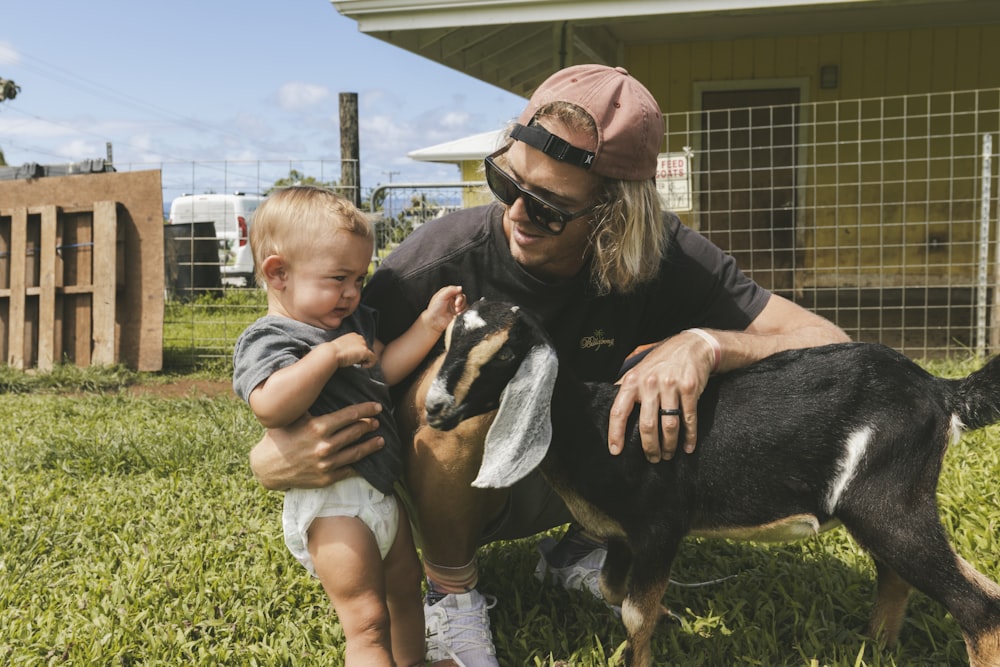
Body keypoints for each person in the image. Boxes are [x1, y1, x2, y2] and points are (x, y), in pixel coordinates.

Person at [248, 65, 850, 666]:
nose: (516, 214)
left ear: (617, 215)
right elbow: (295, 361)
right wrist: (270, 455)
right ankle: (449, 595)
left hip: (571, 470)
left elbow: (828, 345)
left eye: (550, 208)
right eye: (506, 184)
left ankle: (583, 547)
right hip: (448, 483)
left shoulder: (667, 256)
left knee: (673, 373)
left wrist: (705, 344)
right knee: (455, 382)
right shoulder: (434, 262)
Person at [232, 185, 466, 667]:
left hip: (381, 493)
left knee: (405, 593)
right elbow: (269, 405)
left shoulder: (350, 324)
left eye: (359, 277)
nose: (353, 292)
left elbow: (383, 369)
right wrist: (327, 355)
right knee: (366, 619)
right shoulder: (271, 338)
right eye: (338, 278)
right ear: (278, 272)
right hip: (332, 504)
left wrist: (429, 324)